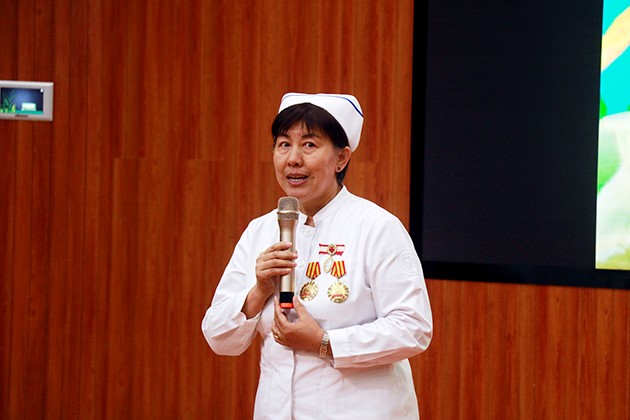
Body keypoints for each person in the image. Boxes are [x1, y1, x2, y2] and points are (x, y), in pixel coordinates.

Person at [202, 92, 433, 419]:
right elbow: (219, 337)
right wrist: (258, 291)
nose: (293, 159)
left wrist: (324, 342)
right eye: (284, 144)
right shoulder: (260, 230)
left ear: (341, 158)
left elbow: (413, 328)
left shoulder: (377, 227)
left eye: (309, 145)